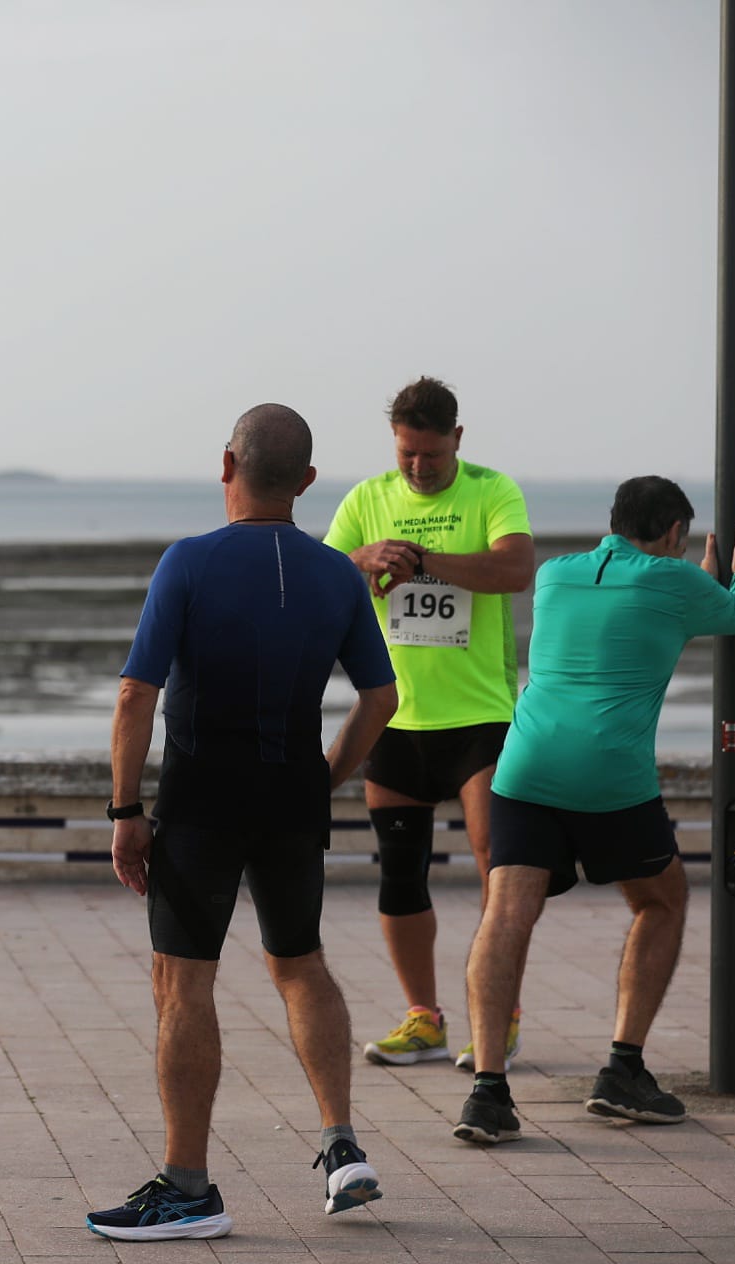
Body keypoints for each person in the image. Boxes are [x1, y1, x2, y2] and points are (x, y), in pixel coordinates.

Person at [86, 404, 399, 1242]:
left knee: (183, 984)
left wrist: (124, 811)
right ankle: (341, 1148)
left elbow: (134, 694)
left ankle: (188, 1188)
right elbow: (381, 698)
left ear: (225, 464)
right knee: (300, 966)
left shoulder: (188, 563)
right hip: (290, 797)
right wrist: (323, 778)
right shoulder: (337, 573)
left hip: (201, 803)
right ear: (304, 481)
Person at [453, 477, 735, 1144]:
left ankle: (486, 1091)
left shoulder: (555, 574)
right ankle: (622, 1070)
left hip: (523, 767)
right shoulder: (672, 582)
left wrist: (696, 581)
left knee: (504, 913)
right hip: (608, 776)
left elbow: (638, 607)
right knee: (660, 901)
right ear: (676, 536)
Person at [323, 376, 534, 1070]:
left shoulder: (489, 489)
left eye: (431, 456)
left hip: (480, 718)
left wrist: (422, 562)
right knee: (400, 873)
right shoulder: (366, 499)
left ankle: (495, 1017)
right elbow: (326, 578)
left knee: (494, 872)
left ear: (457, 441)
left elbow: (515, 570)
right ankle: (423, 1019)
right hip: (394, 718)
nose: (417, 468)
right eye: (406, 455)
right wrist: (363, 558)